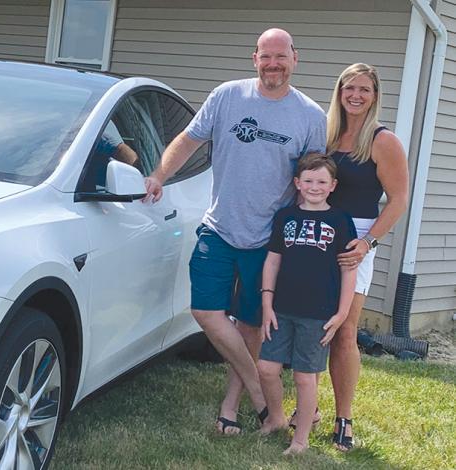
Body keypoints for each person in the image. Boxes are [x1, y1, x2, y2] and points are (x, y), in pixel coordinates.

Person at [143, 28, 326, 434]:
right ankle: (264, 399)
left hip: (269, 239)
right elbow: (188, 140)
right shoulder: (227, 96)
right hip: (220, 227)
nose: (273, 64)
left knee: (249, 326)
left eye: (281, 56)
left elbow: (313, 181)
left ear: (296, 58)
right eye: (266, 56)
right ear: (254, 58)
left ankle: (231, 404)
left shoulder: (311, 116)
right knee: (206, 311)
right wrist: (158, 174)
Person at [319, 63, 409, 451]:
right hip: (315, 233)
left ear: (375, 96)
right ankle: (308, 410)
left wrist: (368, 242)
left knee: (344, 331)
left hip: (355, 241)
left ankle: (344, 418)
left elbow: (398, 198)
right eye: (349, 88)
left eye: (364, 90)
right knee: (311, 326)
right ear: (339, 92)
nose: (355, 95)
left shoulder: (382, 140)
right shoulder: (325, 135)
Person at [257, 153, 357, 455]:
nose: (315, 186)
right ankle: (275, 418)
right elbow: (272, 261)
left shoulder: (340, 221)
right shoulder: (285, 217)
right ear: (297, 183)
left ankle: (300, 440)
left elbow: (348, 269)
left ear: (333, 185)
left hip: (318, 314)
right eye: (309, 180)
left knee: (304, 375)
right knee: (266, 367)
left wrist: (341, 314)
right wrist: (267, 303)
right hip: (281, 308)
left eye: (322, 181)